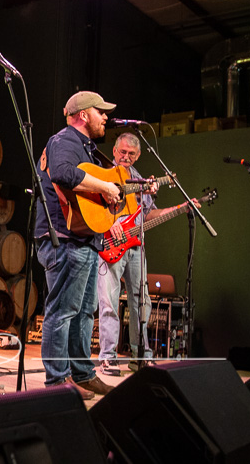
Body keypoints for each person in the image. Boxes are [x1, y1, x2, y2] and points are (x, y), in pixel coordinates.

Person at [34, 91, 119, 400]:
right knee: (62, 312)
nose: (105, 117)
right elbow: (63, 173)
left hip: (82, 239)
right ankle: (57, 381)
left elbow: (88, 190)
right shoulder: (64, 141)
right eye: (100, 111)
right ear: (83, 115)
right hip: (64, 240)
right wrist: (105, 186)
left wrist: (112, 192)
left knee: (84, 312)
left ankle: (82, 374)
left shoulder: (86, 148)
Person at [97, 133, 196, 375]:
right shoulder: (104, 173)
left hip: (135, 246)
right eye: (122, 152)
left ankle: (140, 356)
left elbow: (148, 214)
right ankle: (108, 357)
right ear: (114, 150)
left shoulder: (140, 179)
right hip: (110, 245)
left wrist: (179, 208)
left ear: (138, 155)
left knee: (142, 302)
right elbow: (94, 209)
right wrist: (110, 223)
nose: (125, 156)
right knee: (109, 302)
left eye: (131, 153)